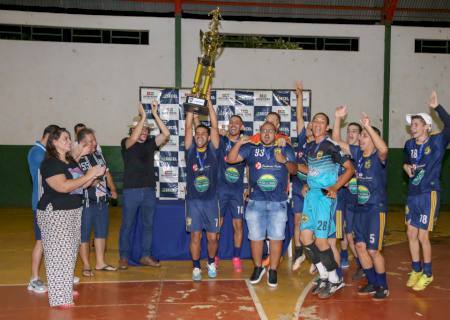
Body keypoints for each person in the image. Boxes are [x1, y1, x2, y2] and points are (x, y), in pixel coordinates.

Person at [37, 127, 105, 307]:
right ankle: (59, 298)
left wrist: (94, 176)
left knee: (69, 254)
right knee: (57, 255)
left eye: (69, 138)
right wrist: (89, 175)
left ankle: (64, 289)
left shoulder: (69, 161)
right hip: (55, 213)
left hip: (73, 211)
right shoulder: (50, 164)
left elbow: (80, 185)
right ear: (54, 142)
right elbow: (64, 187)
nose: (69, 141)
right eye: (65, 139)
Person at [227, 121, 297, 287]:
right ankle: (258, 268)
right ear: (260, 132)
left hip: (278, 202)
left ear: (276, 133)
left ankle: (273, 270)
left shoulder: (284, 147)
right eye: (264, 131)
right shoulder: (251, 147)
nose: (267, 134)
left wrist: (284, 161)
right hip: (255, 201)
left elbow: (294, 170)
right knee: (256, 238)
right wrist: (238, 143)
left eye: (270, 131)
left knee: (276, 238)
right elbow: (231, 159)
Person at [334, 106, 389, 300]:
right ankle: (373, 283)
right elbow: (337, 141)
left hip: (376, 209)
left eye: (365, 136)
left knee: (373, 250)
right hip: (360, 210)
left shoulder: (378, 157)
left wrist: (369, 127)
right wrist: (338, 119)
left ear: (372, 140)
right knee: (359, 247)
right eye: (362, 135)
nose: (361, 138)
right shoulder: (357, 154)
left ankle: (383, 285)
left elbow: (383, 148)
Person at [299, 112, 354, 299]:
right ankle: (323, 275)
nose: (317, 124)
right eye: (315, 121)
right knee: (305, 237)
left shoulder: (331, 146)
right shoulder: (310, 147)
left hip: (324, 197)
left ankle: (335, 279)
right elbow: (312, 170)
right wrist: (307, 182)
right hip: (311, 196)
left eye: (322, 122)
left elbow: (350, 169)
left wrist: (336, 186)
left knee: (322, 241)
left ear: (327, 127)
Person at [403, 90, 450, 291]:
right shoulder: (408, 144)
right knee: (410, 233)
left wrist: (437, 107)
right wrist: (406, 167)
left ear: (426, 127)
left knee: (423, 236)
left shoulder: (437, 141)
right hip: (413, 194)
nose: (412, 127)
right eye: (411, 124)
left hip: (429, 193)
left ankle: (428, 273)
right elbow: (406, 161)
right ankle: (416, 269)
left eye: (416, 124)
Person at [118, 101, 170, 270]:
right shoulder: (126, 142)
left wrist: (154, 114)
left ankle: (145, 256)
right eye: (141, 129)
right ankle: (124, 257)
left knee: (148, 225)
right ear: (133, 130)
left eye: (147, 130)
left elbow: (166, 133)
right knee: (127, 225)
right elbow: (133, 138)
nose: (144, 132)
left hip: (148, 190)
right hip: (131, 191)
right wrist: (143, 117)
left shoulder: (150, 144)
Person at [184, 89, 221, 281]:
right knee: (195, 237)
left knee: (212, 238)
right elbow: (188, 127)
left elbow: (215, 127)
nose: (199, 135)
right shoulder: (190, 150)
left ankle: (211, 262)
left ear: (208, 137)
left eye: (202, 134)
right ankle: (196, 267)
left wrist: (208, 101)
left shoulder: (213, 150)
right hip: (194, 202)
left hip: (211, 201)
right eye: (197, 133)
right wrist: (191, 103)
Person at [78, 128, 118, 277]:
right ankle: (86, 265)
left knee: (101, 233)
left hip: (102, 202)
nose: (94, 143)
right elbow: (74, 181)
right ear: (82, 143)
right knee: (85, 235)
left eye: (94, 140)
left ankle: (100, 262)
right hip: (86, 203)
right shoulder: (76, 160)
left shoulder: (99, 156)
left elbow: (107, 174)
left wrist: (113, 189)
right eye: (90, 141)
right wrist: (89, 181)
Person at [27, 124, 60, 293]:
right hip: (40, 204)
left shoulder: (45, 153)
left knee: (51, 242)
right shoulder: (37, 152)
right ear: (49, 137)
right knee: (41, 241)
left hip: (50, 204)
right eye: (56, 139)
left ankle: (57, 275)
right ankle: (34, 279)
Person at [332, 119, 364, 278]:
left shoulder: (361, 152)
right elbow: (336, 140)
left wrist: (351, 180)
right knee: (342, 231)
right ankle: (343, 256)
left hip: (357, 200)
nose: (350, 133)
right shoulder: (343, 150)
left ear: (360, 135)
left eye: (354, 131)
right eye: (349, 131)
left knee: (351, 234)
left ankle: (361, 264)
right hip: (342, 197)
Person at [217, 115, 246, 272]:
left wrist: (248, 186)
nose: (233, 125)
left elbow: (249, 165)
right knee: (217, 225)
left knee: (238, 225)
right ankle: (214, 257)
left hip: (236, 191)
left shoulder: (246, 144)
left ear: (241, 127)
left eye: (237, 123)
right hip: (221, 189)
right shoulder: (221, 140)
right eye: (231, 122)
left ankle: (236, 257)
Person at [291, 80, 310, 271]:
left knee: (309, 222)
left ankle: (312, 253)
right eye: (309, 128)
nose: (310, 129)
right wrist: (299, 98)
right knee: (297, 220)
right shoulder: (303, 142)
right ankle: (298, 251)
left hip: (313, 189)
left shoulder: (324, 147)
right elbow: (299, 119)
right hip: (297, 187)